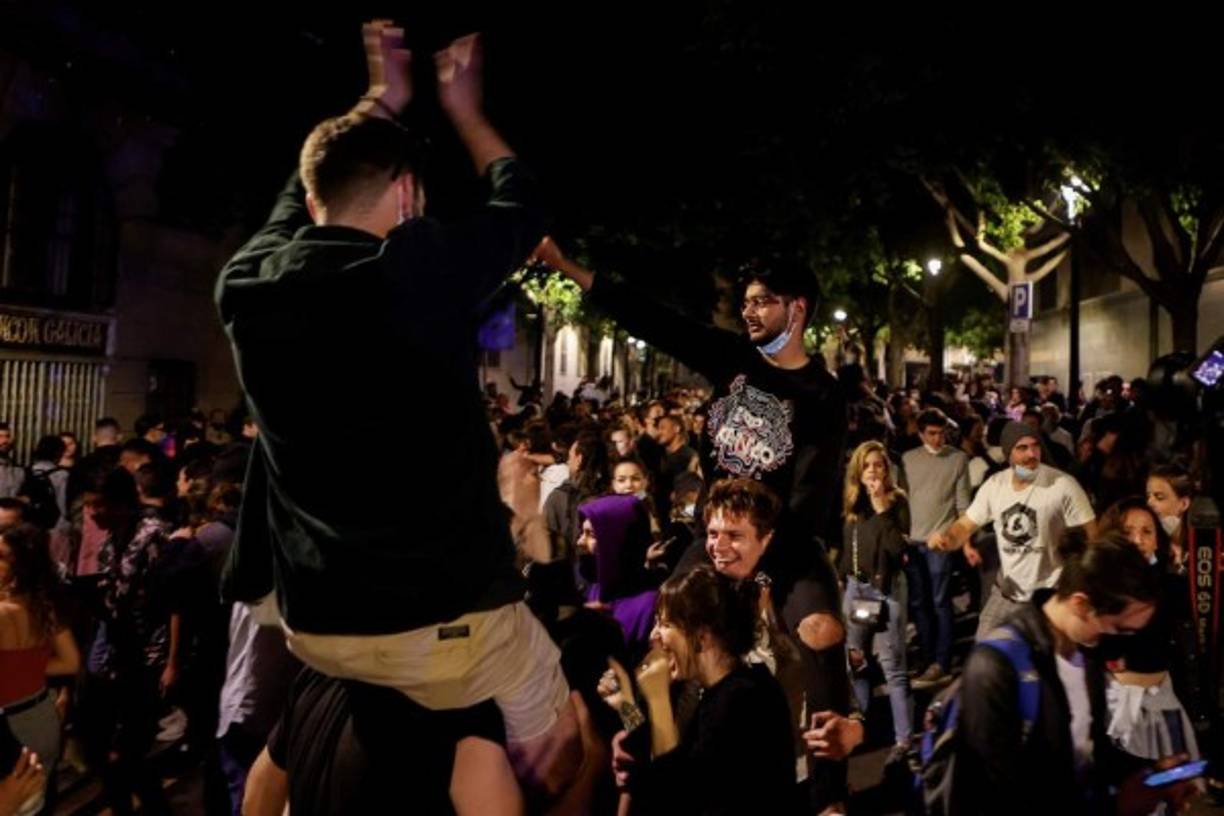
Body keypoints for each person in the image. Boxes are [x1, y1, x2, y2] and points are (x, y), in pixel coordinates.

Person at [215, 23, 578, 793]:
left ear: (312, 199)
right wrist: (466, 111)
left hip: (309, 622)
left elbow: (301, 196)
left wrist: (381, 98)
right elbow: (522, 203)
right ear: (410, 195)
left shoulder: (247, 284)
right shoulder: (418, 269)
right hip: (438, 626)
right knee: (566, 733)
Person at [951, 532, 1198, 815]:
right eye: (1117, 628)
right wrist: (1116, 806)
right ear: (1081, 604)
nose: (1118, 641)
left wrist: (1151, 773)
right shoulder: (996, 666)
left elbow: (1090, 751)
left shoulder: (1085, 655)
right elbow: (996, 795)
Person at [609, 566, 799, 815]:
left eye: (666, 624)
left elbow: (674, 793)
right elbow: (666, 763)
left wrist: (655, 701)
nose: (654, 636)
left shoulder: (739, 702)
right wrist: (627, 709)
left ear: (702, 637)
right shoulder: (723, 692)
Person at [930, 421, 1097, 638]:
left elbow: (1093, 535)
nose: (1031, 454)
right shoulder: (995, 486)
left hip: (1048, 595)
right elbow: (965, 526)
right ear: (1009, 453)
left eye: (1035, 446)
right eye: (1022, 448)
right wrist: (946, 540)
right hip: (1006, 593)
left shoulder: (1063, 485)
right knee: (985, 656)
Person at [1096, 498, 1200, 763]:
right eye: (1128, 532)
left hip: (1165, 700)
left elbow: (1187, 653)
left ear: (1157, 541)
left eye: (1147, 532)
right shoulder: (1099, 588)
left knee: (1173, 789)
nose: (1138, 540)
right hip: (1116, 705)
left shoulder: (1173, 587)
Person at [838, 442, 912, 763]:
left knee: (893, 668)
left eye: (878, 465)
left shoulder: (896, 502)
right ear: (858, 469)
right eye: (866, 466)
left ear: (886, 469)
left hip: (886, 593)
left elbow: (898, 550)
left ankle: (904, 740)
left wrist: (882, 506)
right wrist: (842, 578)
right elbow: (846, 544)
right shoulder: (853, 502)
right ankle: (861, 726)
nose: (872, 471)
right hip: (855, 590)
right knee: (856, 663)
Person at [0, 524, 80, 814]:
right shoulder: (43, 606)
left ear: (18, 567)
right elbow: (71, 662)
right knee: (41, 800)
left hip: (9, 728)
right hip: (42, 715)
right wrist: (27, 666)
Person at [900, 409, 970, 685]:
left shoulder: (958, 459)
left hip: (940, 542)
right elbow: (902, 500)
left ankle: (941, 661)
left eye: (942, 433)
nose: (938, 438)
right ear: (920, 434)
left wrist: (961, 540)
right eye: (932, 433)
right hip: (913, 541)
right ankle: (928, 657)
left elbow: (963, 505)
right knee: (919, 603)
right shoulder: (908, 460)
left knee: (940, 602)